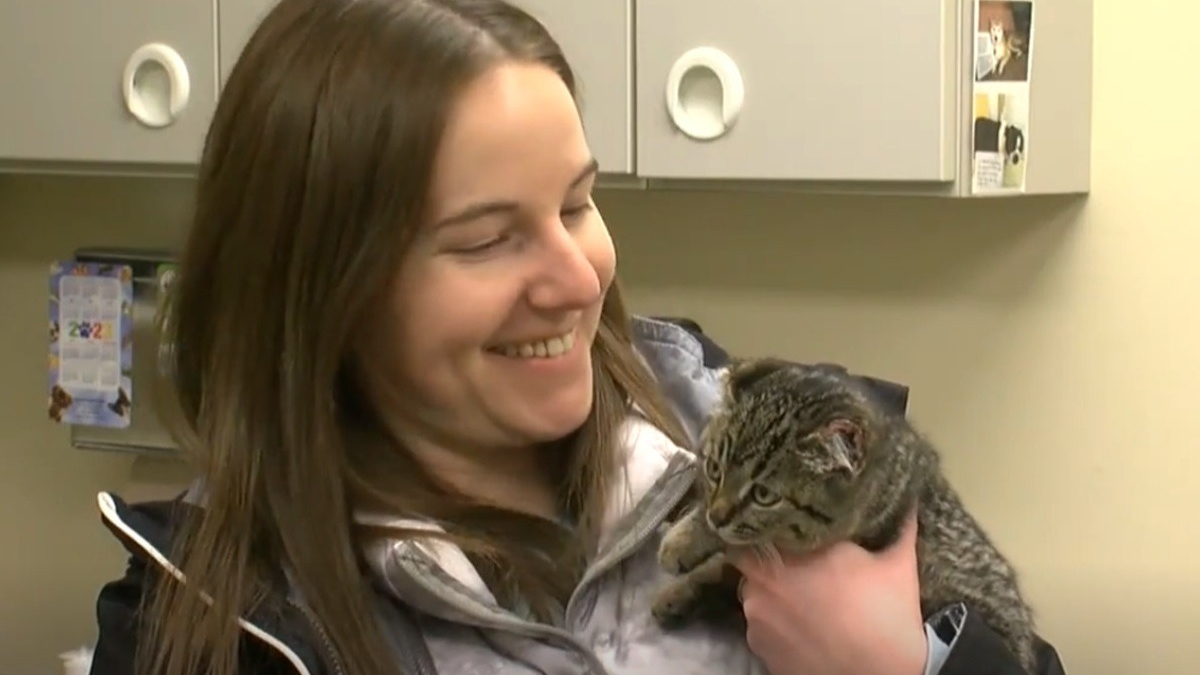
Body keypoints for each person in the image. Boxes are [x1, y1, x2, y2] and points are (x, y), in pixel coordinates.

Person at [86, 1, 1069, 674]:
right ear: (324, 290)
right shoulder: (202, 625)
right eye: (485, 240)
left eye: (578, 204)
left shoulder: (769, 445)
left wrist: (900, 665)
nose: (576, 278)